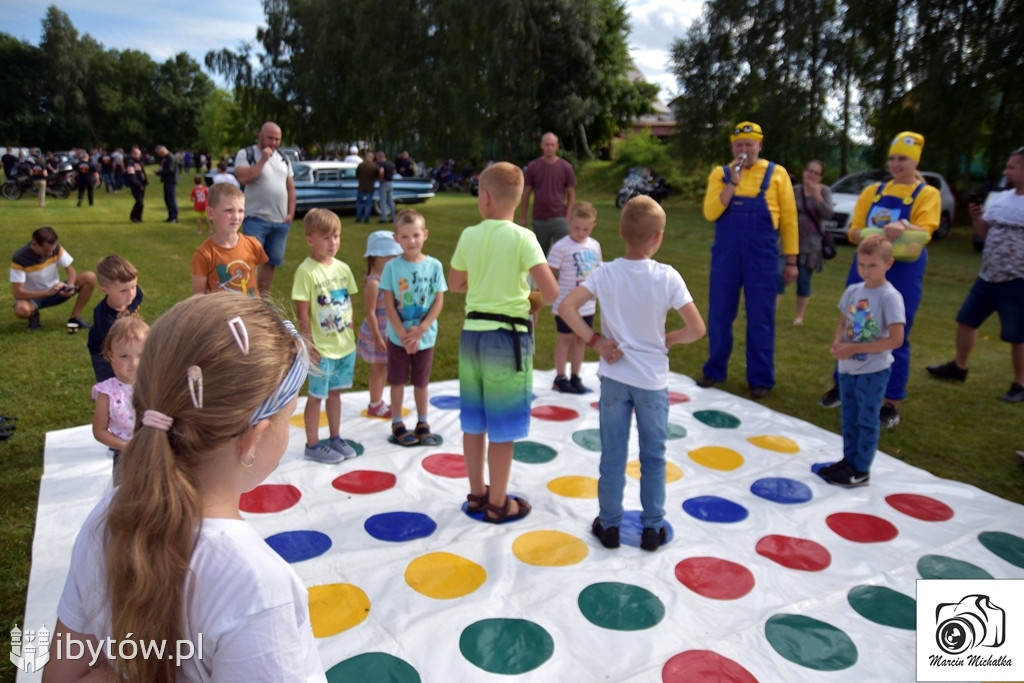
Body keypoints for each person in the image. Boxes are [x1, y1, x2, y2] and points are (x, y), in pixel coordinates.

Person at [44, 294, 326, 683]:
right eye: (288, 417)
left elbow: (63, 675)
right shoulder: (258, 589)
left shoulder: (110, 512)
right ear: (252, 439)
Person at [559, 195, 706, 550]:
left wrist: (595, 341)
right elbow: (697, 329)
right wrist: (667, 339)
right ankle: (652, 528)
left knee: (613, 453)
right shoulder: (667, 276)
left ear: (621, 233)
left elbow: (566, 307)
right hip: (652, 382)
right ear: (658, 237)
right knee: (653, 456)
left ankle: (609, 525)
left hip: (614, 378)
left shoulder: (606, 273)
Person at [448, 162, 559, 522]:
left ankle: (477, 494)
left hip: (472, 338)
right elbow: (552, 291)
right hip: (506, 341)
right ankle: (499, 502)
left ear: (485, 197)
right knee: (503, 427)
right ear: (518, 198)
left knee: (474, 422)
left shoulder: (469, 235)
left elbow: (456, 284)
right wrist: (530, 298)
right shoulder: (524, 238)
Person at [818, 131, 940, 427]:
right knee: (855, 324)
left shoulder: (927, 194)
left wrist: (905, 225)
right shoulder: (873, 192)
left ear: (915, 162)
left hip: (903, 271)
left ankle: (891, 401)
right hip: (866, 266)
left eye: (903, 159)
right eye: (893, 158)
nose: (896, 164)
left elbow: (925, 232)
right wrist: (881, 234)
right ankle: (844, 385)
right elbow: (854, 231)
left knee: (895, 329)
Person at [926, 147, 1024, 403]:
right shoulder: (1001, 199)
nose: (1005, 171)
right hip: (987, 276)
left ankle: (1020, 384)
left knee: (1017, 334)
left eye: (1011, 167)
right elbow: (982, 232)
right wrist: (976, 217)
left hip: (1017, 280)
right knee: (966, 320)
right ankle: (959, 367)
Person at [817, 235, 905, 487]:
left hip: (873, 370)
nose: (866, 271)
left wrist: (856, 347)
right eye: (862, 265)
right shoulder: (854, 291)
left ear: (888, 264)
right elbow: (843, 322)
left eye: (872, 266)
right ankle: (848, 460)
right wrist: (838, 342)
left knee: (866, 419)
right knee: (849, 416)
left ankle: (861, 468)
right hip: (848, 368)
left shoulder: (890, 297)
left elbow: (896, 339)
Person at [292, 208, 360, 464]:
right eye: (326, 238)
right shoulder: (306, 272)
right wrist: (308, 344)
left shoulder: (343, 268)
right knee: (316, 396)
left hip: (344, 346)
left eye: (337, 236)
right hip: (321, 348)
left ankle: (335, 437)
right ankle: (312, 444)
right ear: (310, 239)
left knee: (335, 394)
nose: (333, 243)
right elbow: (303, 312)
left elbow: (349, 302)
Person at [381, 210, 448, 446]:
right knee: (397, 381)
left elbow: (438, 300)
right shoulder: (391, 267)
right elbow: (388, 303)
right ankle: (398, 422)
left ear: (425, 235)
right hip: (398, 338)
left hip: (425, 337)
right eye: (405, 237)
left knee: (421, 383)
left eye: (416, 235)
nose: (411, 241)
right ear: (396, 238)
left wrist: (422, 329)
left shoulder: (435, 266)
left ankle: (422, 422)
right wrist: (401, 333)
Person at [234, 121, 296, 297]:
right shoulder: (247, 153)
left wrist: (291, 213)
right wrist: (263, 159)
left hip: (280, 221)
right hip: (255, 219)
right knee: (250, 262)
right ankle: (249, 298)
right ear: (260, 136)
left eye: (277, 139)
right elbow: (243, 178)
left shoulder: (283, 158)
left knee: (271, 263)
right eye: (270, 138)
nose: (274, 143)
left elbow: (290, 187)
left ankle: (263, 299)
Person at [547, 201, 603, 393]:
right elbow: (549, 271)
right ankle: (560, 377)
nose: (581, 232)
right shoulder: (561, 247)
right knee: (566, 339)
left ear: (593, 226)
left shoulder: (595, 246)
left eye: (586, 229)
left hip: (587, 306)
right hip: (564, 304)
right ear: (570, 222)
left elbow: (599, 271)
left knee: (581, 340)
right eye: (577, 227)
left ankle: (575, 376)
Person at [776, 159, 834, 325]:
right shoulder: (795, 190)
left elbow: (829, 214)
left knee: (803, 280)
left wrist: (817, 196)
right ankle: (771, 312)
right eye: (810, 171)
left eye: (816, 173)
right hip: (788, 240)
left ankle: (799, 317)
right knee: (778, 274)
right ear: (804, 172)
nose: (812, 175)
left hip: (811, 245)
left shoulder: (825, 192)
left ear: (821, 177)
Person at [91, 317, 149, 480]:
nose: (134, 363)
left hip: (157, 450)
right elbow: (99, 431)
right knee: (127, 495)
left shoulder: (154, 384)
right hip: (126, 455)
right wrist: (126, 446)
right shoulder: (107, 392)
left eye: (140, 354)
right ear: (111, 355)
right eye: (124, 356)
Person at [10, 226, 96, 331]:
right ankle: (33, 315)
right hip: (33, 297)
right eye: (46, 250)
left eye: (52, 249)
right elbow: (18, 293)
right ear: (34, 244)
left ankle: (75, 317)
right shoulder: (20, 258)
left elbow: (70, 270)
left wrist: (70, 286)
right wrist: (47, 293)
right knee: (21, 310)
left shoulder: (56, 248)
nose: (50, 253)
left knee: (89, 277)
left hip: (57, 291)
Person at [357, 230, 404, 418]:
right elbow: (370, 312)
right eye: (390, 256)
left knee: (384, 367)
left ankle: (378, 401)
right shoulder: (374, 283)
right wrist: (377, 337)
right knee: (378, 368)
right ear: (376, 257)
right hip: (378, 334)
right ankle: (375, 403)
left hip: (389, 333)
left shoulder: (388, 279)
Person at [191, 184, 268, 297]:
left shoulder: (253, 244)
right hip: (222, 313)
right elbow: (198, 297)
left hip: (252, 312)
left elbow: (252, 280)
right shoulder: (204, 254)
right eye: (229, 210)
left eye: (241, 211)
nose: (236, 217)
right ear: (211, 213)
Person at [519, 132, 577, 255]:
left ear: (557, 146)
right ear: (542, 146)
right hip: (540, 218)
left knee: (562, 254)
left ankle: (558, 275)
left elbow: (571, 194)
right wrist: (523, 217)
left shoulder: (566, 167)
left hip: (560, 217)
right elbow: (526, 194)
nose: (549, 148)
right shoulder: (533, 166)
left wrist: (568, 216)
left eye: (552, 145)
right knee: (539, 255)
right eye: (547, 145)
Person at [88, 255, 144, 382]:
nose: (131, 294)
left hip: (127, 343)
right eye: (123, 291)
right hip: (104, 351)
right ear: (104, 290)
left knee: (135, 375)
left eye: (133, 286)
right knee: (113, 379)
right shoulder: (104, 318)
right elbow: (112, 348)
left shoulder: (136, 295)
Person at [155, 145, 179, 223]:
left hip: (171, 180)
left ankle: (174, 217)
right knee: (167, 199)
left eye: (159, 153)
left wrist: (160, 172)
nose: (159, 155)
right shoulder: (165, 158)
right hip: (167, 180)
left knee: (171, 199)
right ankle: (170, 216)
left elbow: (170, 170)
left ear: (162, 151)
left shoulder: (170, 157)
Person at [124, 146, 147, 223]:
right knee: (139, 201)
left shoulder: (138, 162)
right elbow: (131, 176)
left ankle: (139, 217)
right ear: (133, 154)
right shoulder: (130, 162)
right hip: (136, 185)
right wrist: (138, 184)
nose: (139, 156)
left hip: (142, 185)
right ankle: (133, 216)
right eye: (138, 154)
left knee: (141, 203)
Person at [355, 151, 377, 224]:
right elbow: (376, 176)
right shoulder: (374, 166)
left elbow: (357, 174)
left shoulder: (361, 165)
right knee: (368, 203)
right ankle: (366, 219)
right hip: (370, 187)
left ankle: (358, 218)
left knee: (359, 203)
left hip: (361, 186)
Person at [376, 150, 396, 223]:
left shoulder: (382, 164)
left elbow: (381, 171)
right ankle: (393, 217)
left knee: (383, 201)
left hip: (384, 183)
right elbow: (394, 172)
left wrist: (381, 179)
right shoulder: (390, 163)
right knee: (391, 201)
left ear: (379, 157)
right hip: (390, 182)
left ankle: (383, 218)